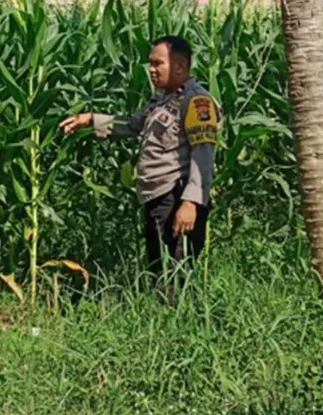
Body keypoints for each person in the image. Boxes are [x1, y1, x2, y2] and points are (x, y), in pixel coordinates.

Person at [59, 35, 220, 287]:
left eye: (158, 64)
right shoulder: (162, 99)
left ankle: (174, 312)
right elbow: (132, 125)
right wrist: (90, 119)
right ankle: (159, 310)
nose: (151, 70)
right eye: (150, 64)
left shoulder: (197, 103)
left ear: (180, 66)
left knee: (174, 272)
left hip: (177, 196)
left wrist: (191, 202)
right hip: (157, 196)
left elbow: (203, 155)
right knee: (158, 268)